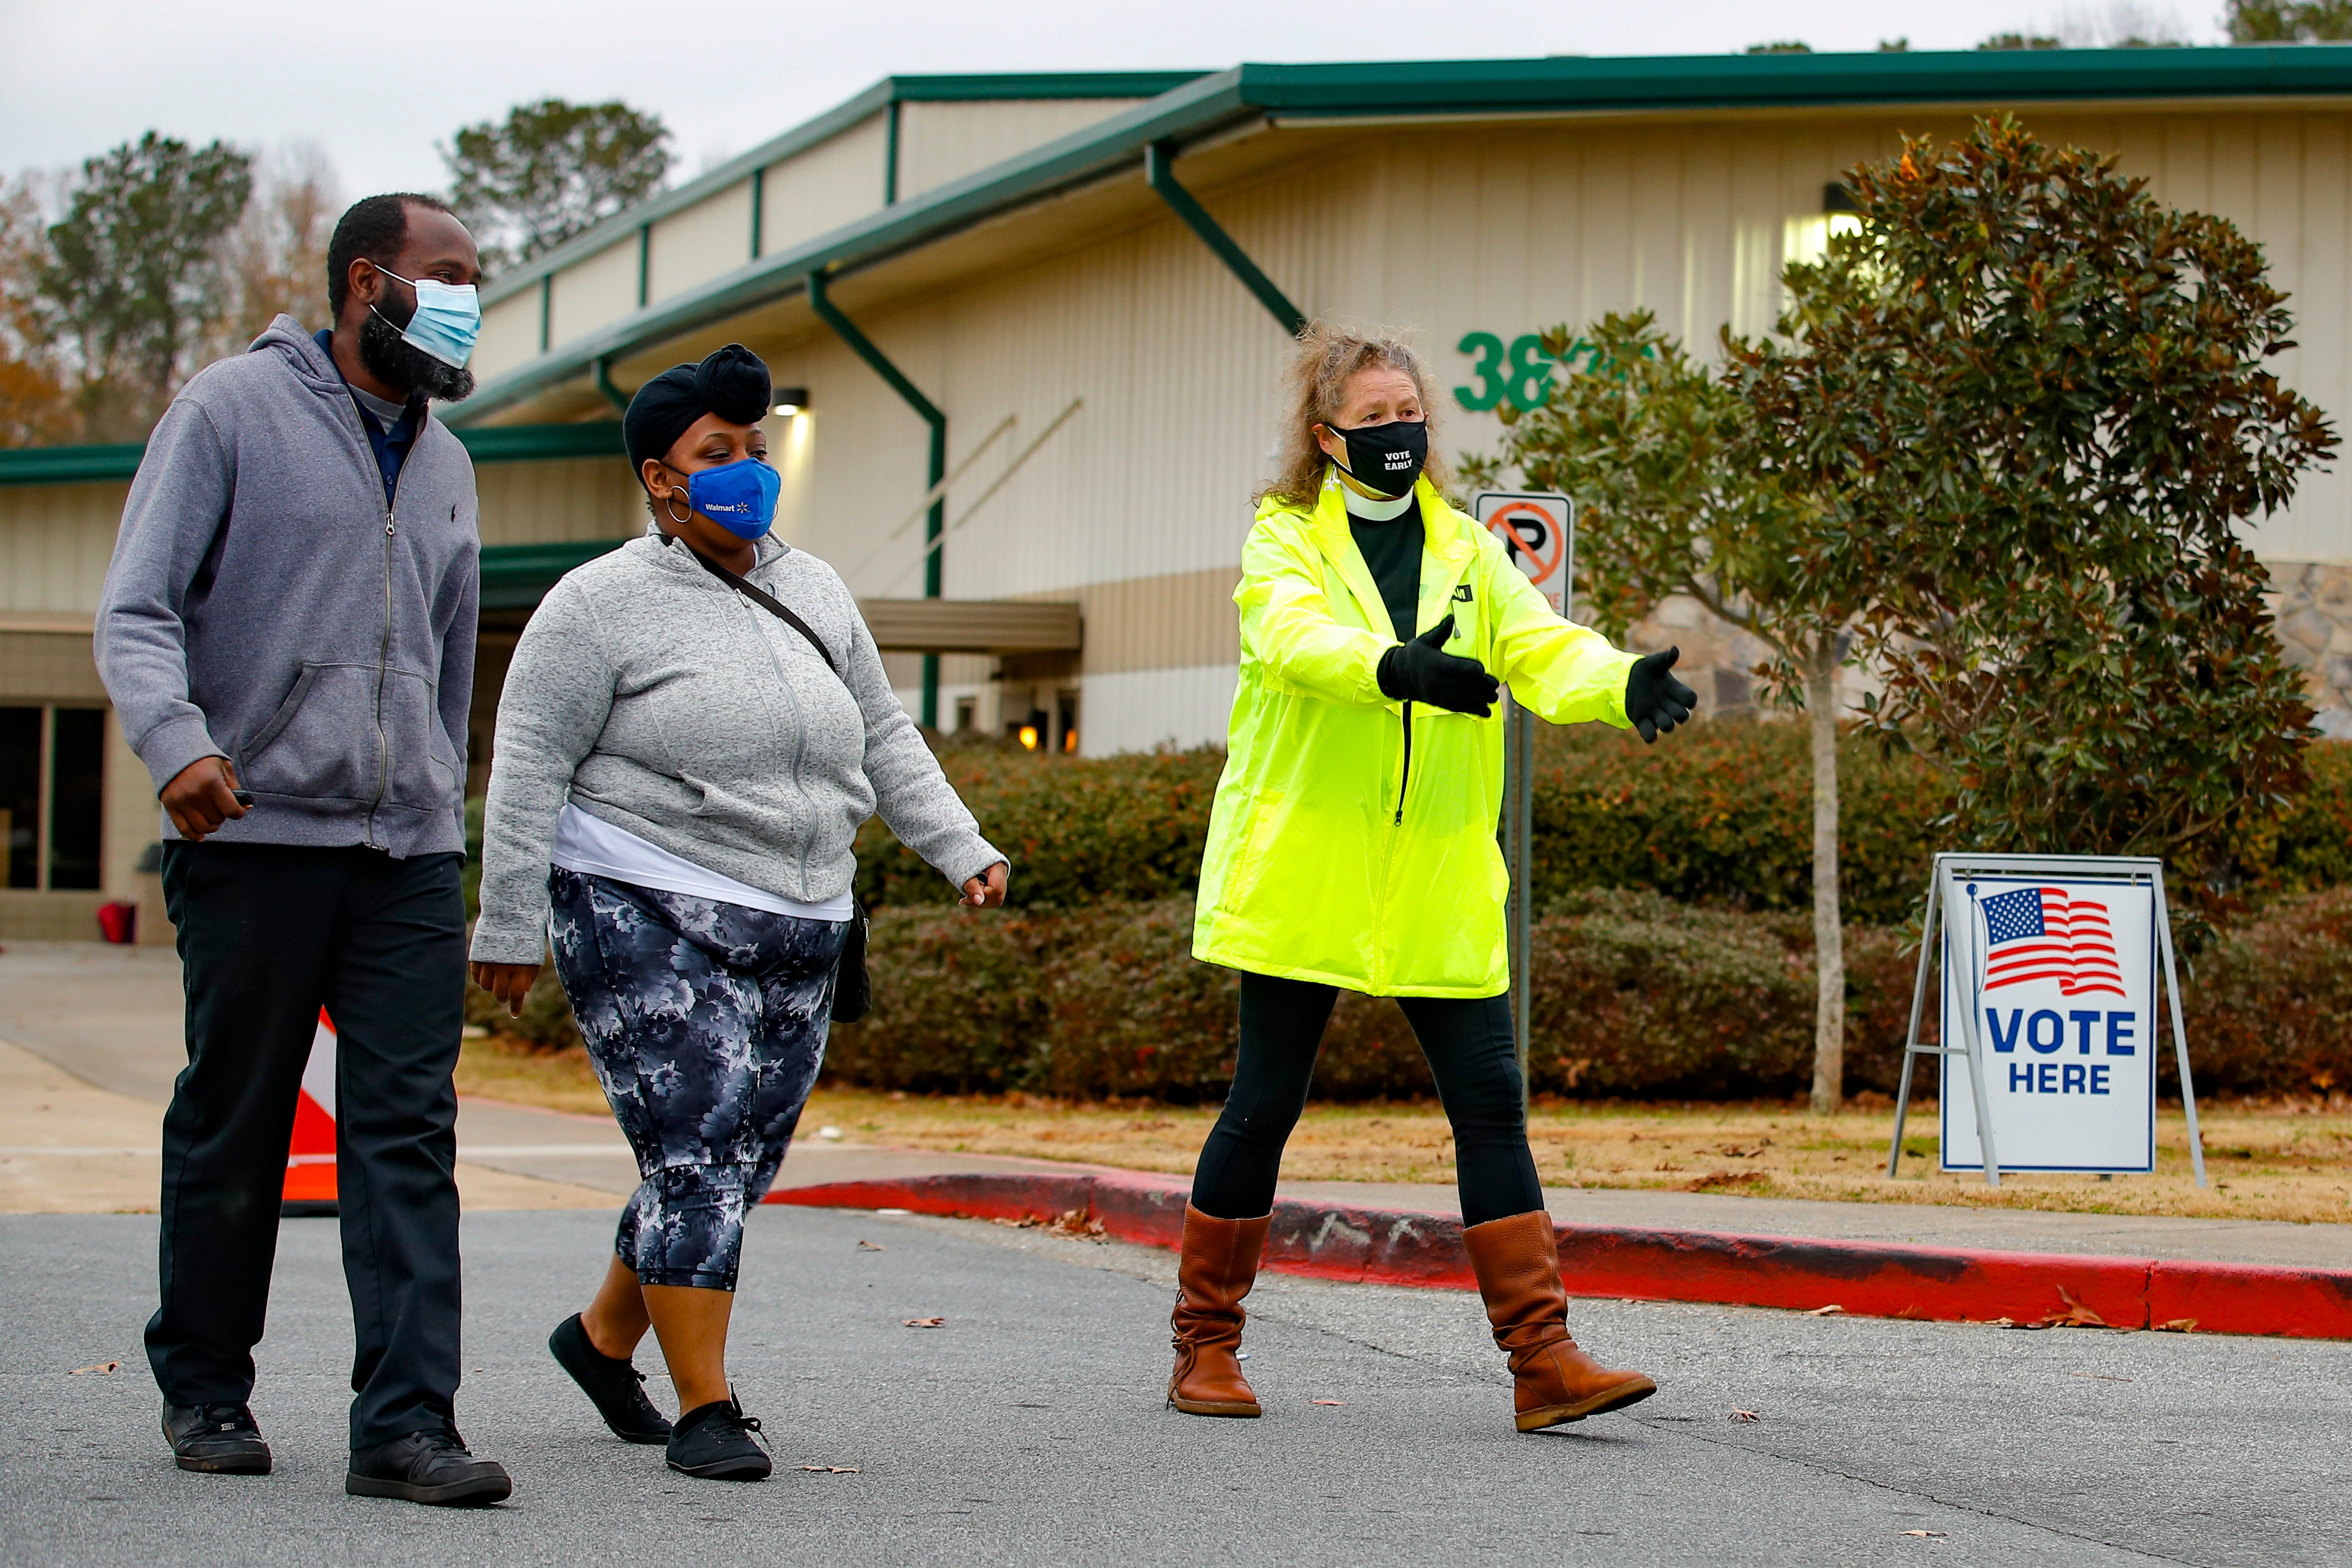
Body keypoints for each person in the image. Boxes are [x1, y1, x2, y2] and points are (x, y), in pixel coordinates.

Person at [468, 343, 1010, 1483]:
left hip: (802, 913)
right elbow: (525, 765)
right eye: (719, 454)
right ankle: (706, 1405)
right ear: (660, 478)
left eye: (756, 449)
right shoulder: (596, 604)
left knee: (736, 1155)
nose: (748, 472)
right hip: (641, 898)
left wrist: (959, 847)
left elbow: (883, 732)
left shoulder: (812, 584)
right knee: (700, 1143)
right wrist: (508, 923)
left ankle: (604, 1336)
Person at [1173, 322, 1698, 1432]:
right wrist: (1396, 665)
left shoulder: (1467, 546)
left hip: (1440, 875)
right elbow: (1291, 639)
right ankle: (1204, 1349)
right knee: (1264, 1105)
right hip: (1306, 868)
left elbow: (1540, 647)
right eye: (1373, 420)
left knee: (1491, 1109)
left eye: (1409, 413)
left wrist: (1621, 681)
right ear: (1326, 436)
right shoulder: (1283, 538)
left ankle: (1543, 1362)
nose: (1398, 433)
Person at [95, 193, 510, 1504]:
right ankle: (206, 1384)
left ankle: (405, 1426)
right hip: (254, 833)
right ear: (364, 282)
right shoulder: (227, 410)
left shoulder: (448, 463)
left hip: (402, 855)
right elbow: (137, 608)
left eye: (475, 278)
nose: (465, 296)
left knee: (409, 1132)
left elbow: (449, 670)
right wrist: (179, 745)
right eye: (445, 273)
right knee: (240, 1119)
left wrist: (444, 815)